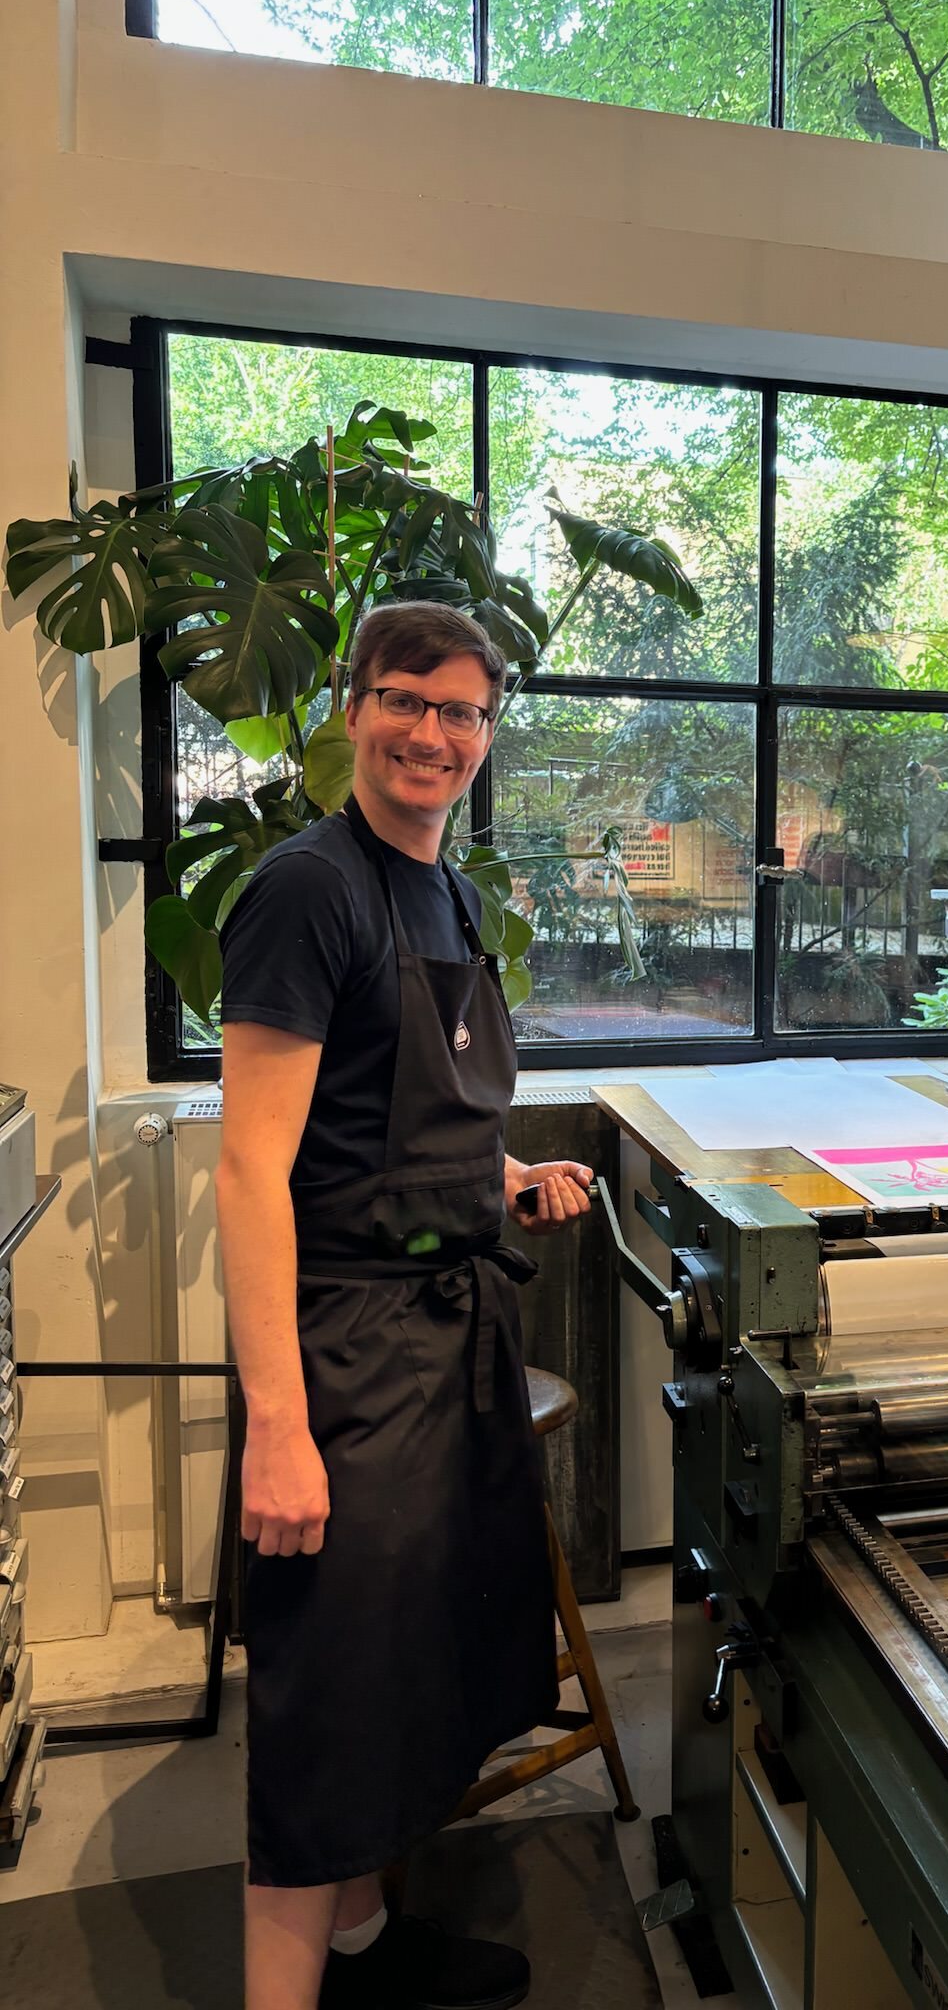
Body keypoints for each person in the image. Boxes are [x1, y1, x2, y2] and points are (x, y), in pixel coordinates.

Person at [215, 601, 593, 2010]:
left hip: (446, 1340)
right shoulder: (309, 891)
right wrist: (278, 1428)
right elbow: (254, 1175)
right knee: (327, 1711)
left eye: (462, 713)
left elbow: (387, 1118)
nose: (432, 734)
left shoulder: (450, 894)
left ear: (488, 734)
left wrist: (504, 1171)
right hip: (348, 1352)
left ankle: (368, 1941)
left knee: (406, 1680)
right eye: (405, 702)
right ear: (352, 707)